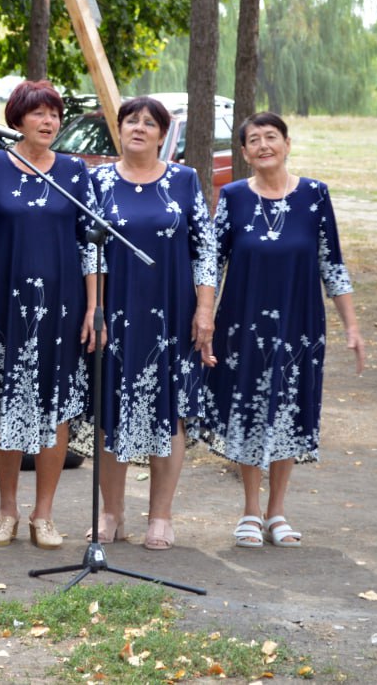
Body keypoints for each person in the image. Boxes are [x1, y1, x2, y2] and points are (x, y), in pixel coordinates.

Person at [200, 112, 365, 548]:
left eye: (271, 137)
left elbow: (332, 263)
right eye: (253, 140)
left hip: (300, 324)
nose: (263, 145)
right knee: (251, 408)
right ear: (243, 153)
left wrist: (352, 326)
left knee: (288, 408)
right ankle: (250, 511)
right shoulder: (232, 196)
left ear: (287, 144)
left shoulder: (314, 195)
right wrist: (204, 315)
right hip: (242, 324)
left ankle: (278, 511)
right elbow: (211, 264)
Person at [0, 81, 97, 549]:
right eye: (39, 114)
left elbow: (91, 247)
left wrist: (94, 307)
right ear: (17, 119)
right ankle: (7, 511)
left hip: (64, 308)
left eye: (55, 114)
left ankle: (44, 515)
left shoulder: (75, 171)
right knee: (8, 406)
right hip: (4, 304)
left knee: (55, 407)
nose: (49, 122)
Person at [88, 96, 217, 550]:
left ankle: (160, 516)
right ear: (118, 129)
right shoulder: (97, 180)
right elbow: (88, 252)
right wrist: (95, 310)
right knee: (111, 412)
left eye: (149, 123)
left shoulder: (184, 180)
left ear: (163, 135)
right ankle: (112, 513)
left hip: (172, 313)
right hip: (116, 311)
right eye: (130, 120)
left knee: (171, 413)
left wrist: (205, 310)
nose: (139, 127)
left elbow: (205, 251)